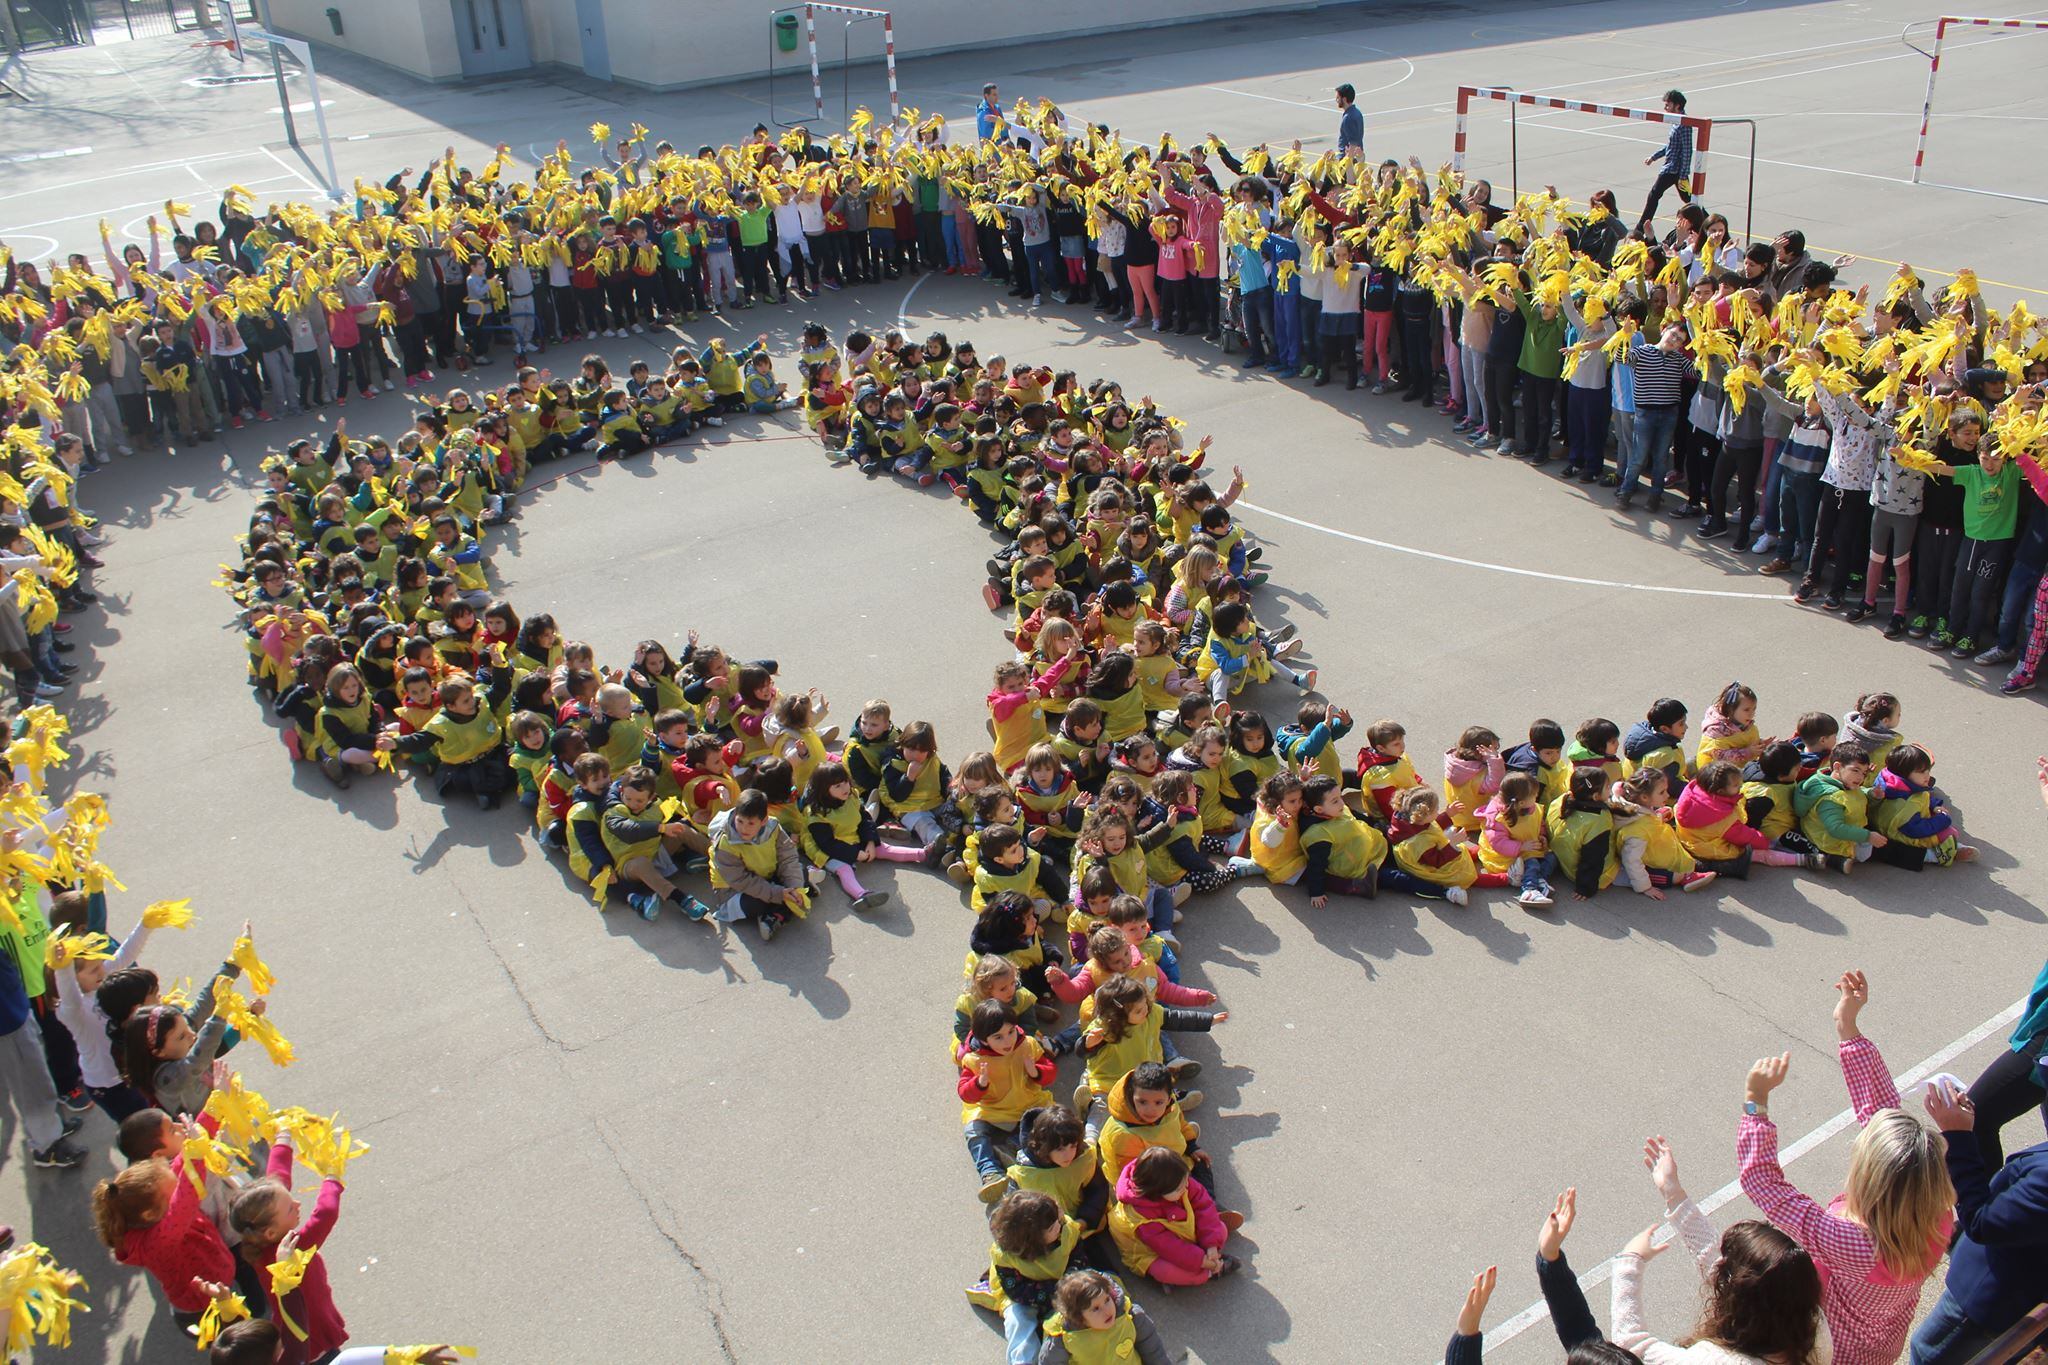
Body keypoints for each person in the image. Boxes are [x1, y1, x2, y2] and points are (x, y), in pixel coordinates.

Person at [1736, 973, 1955, 1365]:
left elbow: (1763, 1182)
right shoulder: (1937, 1215)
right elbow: (1883, 1115)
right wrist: (1848, 1029)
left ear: (1870, 1179)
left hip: (1834, 1351)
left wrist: (1756, 1103)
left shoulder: (1851, 1244)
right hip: (1883, 1345)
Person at [1614, 1136, 1825, 1364]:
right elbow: (1733, 1272)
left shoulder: (1714, 1361)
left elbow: (1630, 1346)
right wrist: (1673, 1193)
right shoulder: (1813, 1331)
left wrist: (1629, 1262)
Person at [1912, 1079, 2048, 1364]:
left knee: (1926, 1355)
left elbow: (1983, 1222)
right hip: (2017, 1300)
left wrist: (1957, 1136)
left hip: (1987, 1302)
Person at [1638, 90, 1694, 229]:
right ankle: (1705, 223)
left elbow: (1687, 151)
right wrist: (1654, 157)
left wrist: (1682, 175)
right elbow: (1670, 147)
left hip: (1674, 170)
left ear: (1677, 105)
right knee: (1690, 201)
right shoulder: (1676, 122)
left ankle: (1641, 227)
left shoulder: (1684, 124)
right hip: (1672, 168)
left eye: (1668, 105)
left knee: (1654, 195)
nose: (1665, 108)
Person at [1335, 83, 1364, 159]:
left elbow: (1353, 143)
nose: (1336, 100)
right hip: (1355, 156)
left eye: (1338, 98)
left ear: (1344, 99)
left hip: (1348, 158)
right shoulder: (1356, 112)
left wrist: (1347, 161)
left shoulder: (1348, 117)